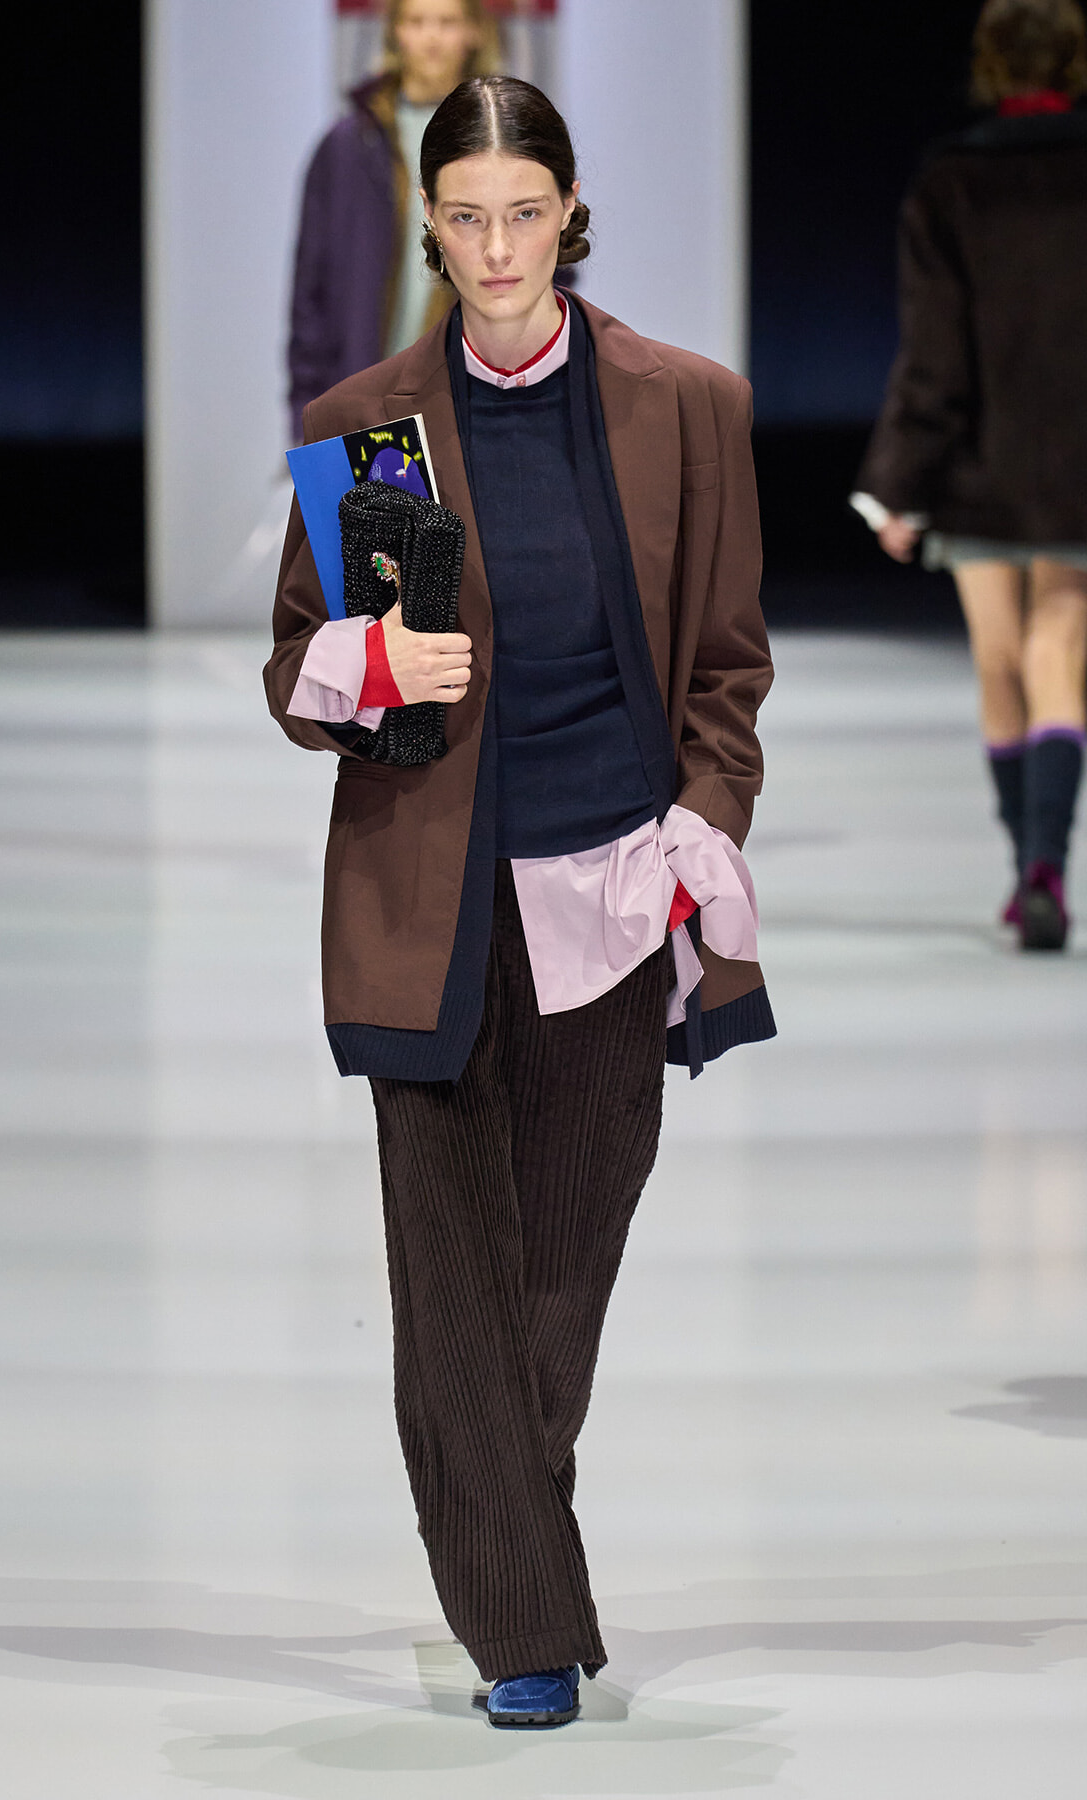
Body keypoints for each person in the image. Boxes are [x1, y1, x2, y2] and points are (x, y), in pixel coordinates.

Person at [265, 76, 774, 1728]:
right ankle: (528, 1634)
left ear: (569, 210)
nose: (495, 250)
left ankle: (504, 1537)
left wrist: (708, 817)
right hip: (434, 909)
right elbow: (297, 664)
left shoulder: (681, 405)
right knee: (452, 1276)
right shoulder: (372, 430)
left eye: (523, 213)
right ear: (428, 221)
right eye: (463, 216)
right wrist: (365, 660)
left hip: (617, 902)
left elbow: (724, 667)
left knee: (555, 1276)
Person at [853, 0, 1087, 951]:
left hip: (981, 462)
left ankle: (1022, 869)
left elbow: (935, 354)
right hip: (1077, 461)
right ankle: (1046, 868)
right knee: (1058, 647)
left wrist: (895, 482)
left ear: (991, 64)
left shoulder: (950, 185)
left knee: (1001, 655)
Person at [287, 0, 497, 443]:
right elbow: (310, 295)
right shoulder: (347, 146)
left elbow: (551, 274)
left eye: (447, 21)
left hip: (473, 404)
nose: (432, 37)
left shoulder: (503, 141)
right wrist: (307, 418)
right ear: (395, 32)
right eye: (417, 21)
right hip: (360, 399)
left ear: (473, 31)